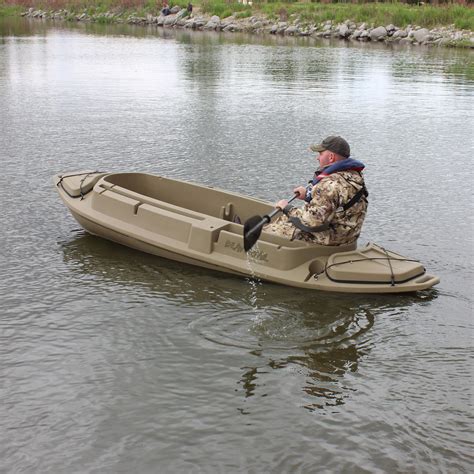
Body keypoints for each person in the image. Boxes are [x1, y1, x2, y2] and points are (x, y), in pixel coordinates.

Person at [264, 136, 368, 246]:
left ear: (331, 157)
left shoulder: (329, 184)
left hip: (331, 239)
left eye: (320, 154)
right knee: (289, 219)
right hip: (349, 236)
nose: (317, 158)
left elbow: (311, 221)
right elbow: (336, 200)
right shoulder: (354, 176)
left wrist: (287, 208)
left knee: (272, 230)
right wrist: (307, 195)